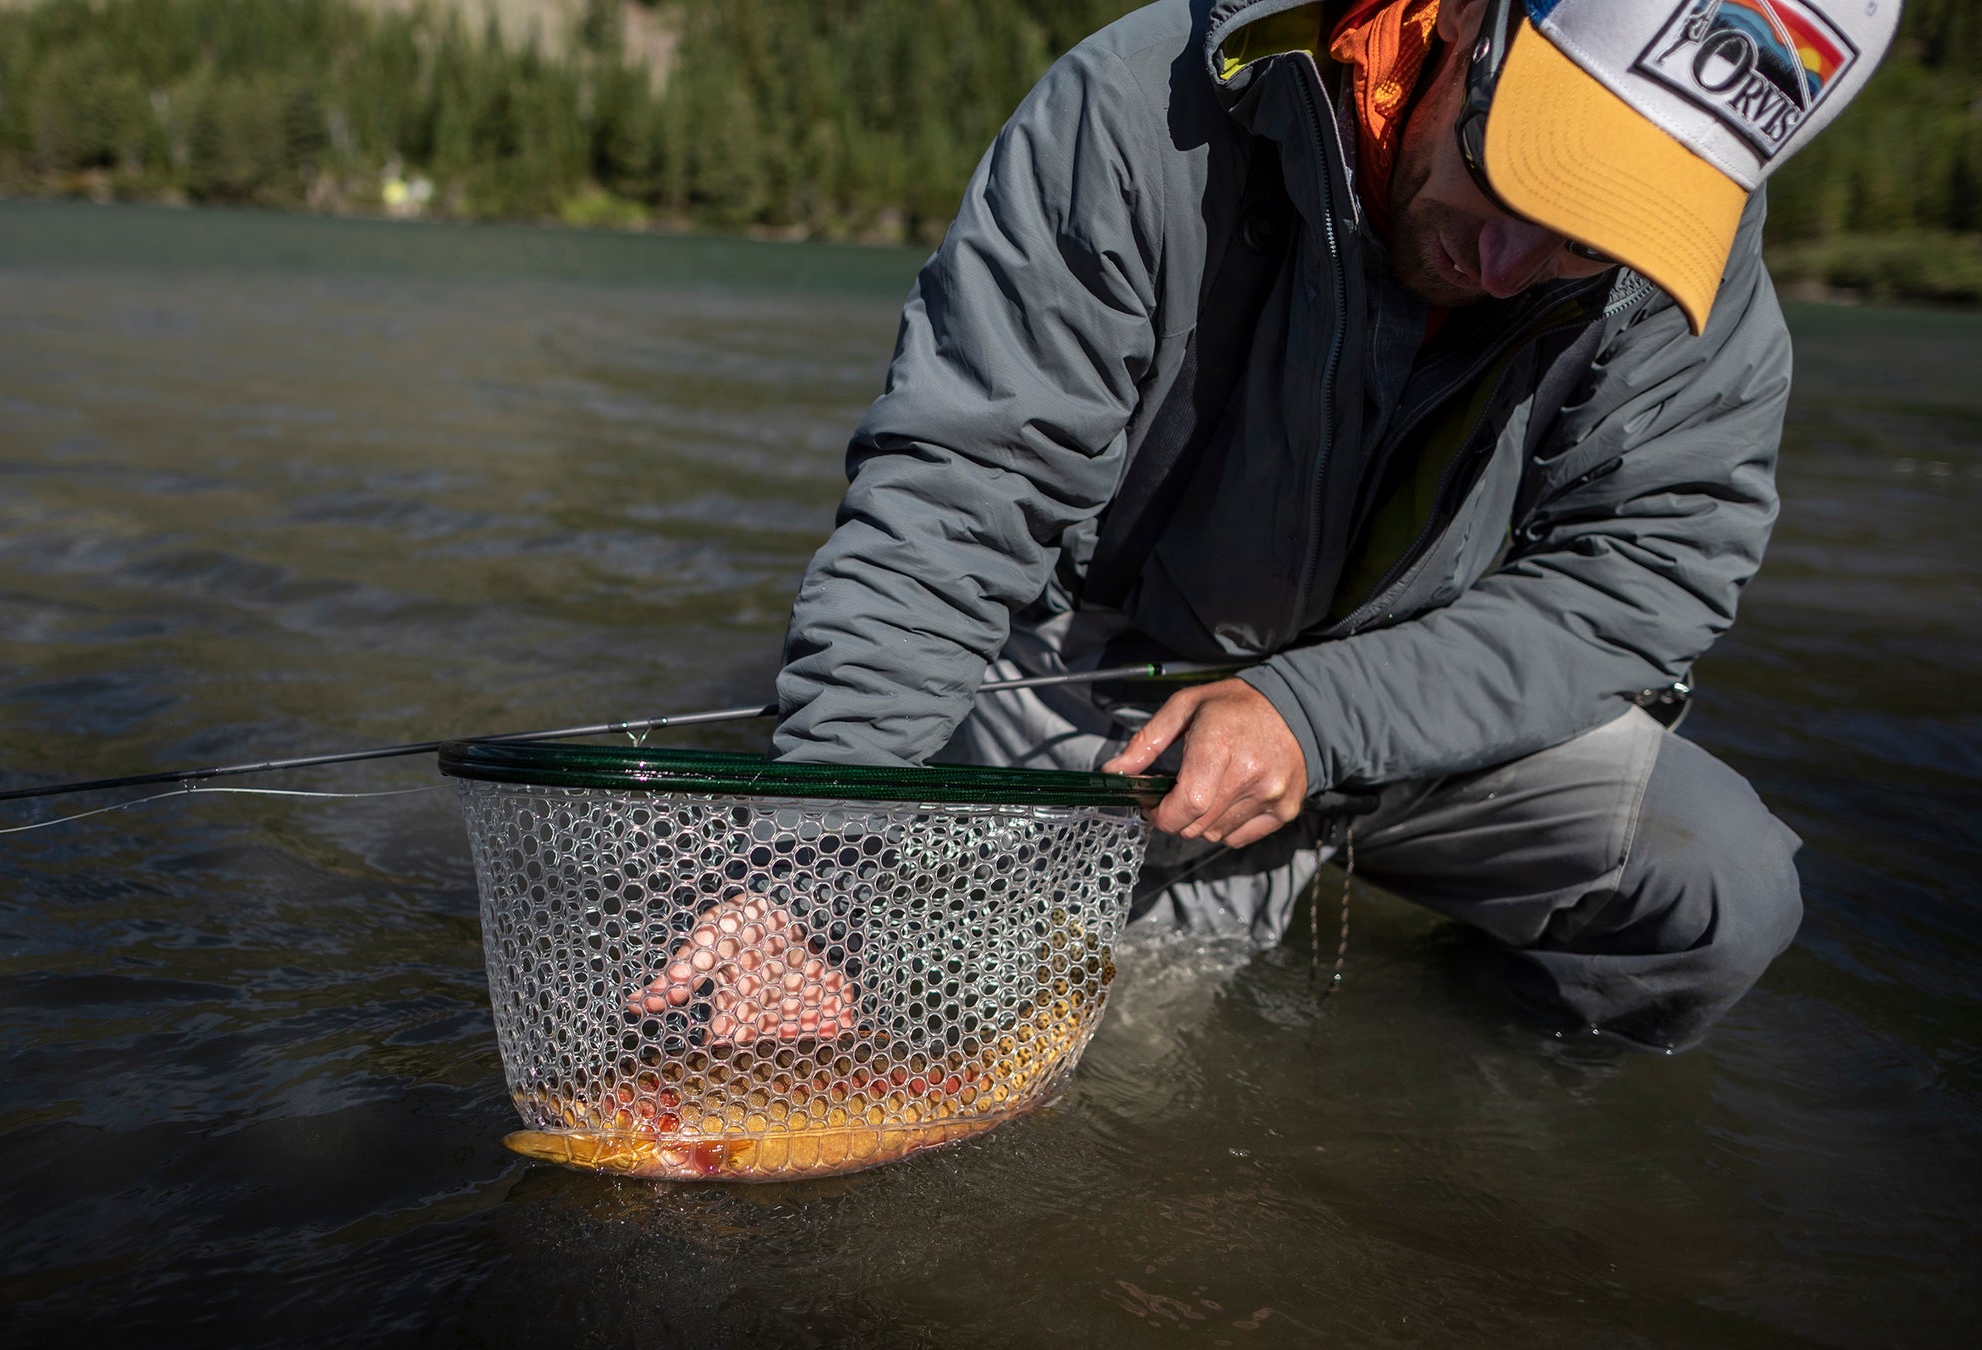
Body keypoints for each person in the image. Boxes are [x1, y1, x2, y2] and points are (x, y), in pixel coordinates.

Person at [762, 0, 1904, 1051]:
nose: (1503, 266)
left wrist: (1318, 714)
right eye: (1512, 172)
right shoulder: (1138, 109)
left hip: (1416, 710)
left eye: (1588, 235)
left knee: (1721, 892)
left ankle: (1458, 1125)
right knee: (993, 1037)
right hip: (1106, 680)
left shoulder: (1685, 255)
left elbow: (1654, 572)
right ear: (1463, 18)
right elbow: (957, 501)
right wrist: (811, 864)